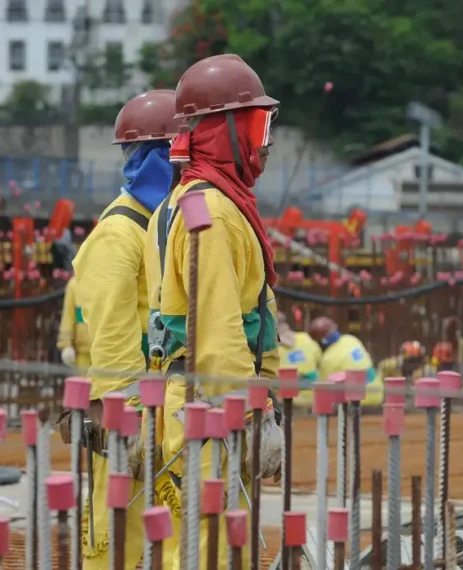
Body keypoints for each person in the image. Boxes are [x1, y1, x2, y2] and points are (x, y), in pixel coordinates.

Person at [144, 54, 283, 570]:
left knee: (199, 549)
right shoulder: (214, 215)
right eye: (256, 125)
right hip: (210, 410)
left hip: (193, 404)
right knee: (213, 554)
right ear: (224, 131)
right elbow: (220, 323)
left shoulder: (185, 201)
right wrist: (255, 410)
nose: (264, 142)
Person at [69, 90, 183, 569]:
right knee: (115, 537)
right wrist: (128, 412)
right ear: (158, 157)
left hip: (163, 407)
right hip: (132, 412)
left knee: (173, 529)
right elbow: (112, 332)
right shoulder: (120, 232)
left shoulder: (160, 224)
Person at [309, 316, 382, 407]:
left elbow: (322, 392)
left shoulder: (328, 359)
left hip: (358, 401)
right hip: (377, 393)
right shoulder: (351, 339)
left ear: (321, 342)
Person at [276, 311, 322, 407]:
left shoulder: (269, 348)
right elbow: (319, 362)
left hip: (286, 404)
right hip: (315, 401)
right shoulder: (305, 338)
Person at [57, 273, 91, 370]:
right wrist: (66, 345)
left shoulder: (114, 283)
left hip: (110, 356)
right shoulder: (74, 285)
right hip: (83, 357)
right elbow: (68, 319)